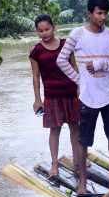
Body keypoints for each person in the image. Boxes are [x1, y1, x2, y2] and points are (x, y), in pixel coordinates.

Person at [57, 0, 109, 194]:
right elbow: (61, 60)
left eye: (105, 13)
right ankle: (82, 182)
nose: (103, 17)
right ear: (89, 14)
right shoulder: (77, 34)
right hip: (87, 97)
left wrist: (101, 64)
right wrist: (79, 79)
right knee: (83, 140)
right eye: (99, 13)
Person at [30, 14, 80, 178]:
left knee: (75, 128)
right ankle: (54, 164)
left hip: (71, 93)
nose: (44, 33)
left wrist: (80, 87)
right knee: (55, 130)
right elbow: (36, 76)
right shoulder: (36, 51)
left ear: (54, 27)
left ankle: (78, 161)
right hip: (51, 96)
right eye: (40, 31)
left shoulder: (66, 45)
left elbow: (74, 68)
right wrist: (38, 99)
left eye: (47, 29)